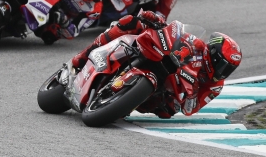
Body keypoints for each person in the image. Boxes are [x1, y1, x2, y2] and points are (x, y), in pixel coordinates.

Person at [71, 10, 243, 118]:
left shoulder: (215, 86)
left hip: (169, 90)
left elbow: (191, 109)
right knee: (131, 22)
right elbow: (175, 32)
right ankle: (84, 55)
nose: (223, 72)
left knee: (166, 111)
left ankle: (120, 101)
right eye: (222, 65)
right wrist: (157, 20)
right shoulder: (197, 44)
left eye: (228, 69)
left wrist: (188, 96)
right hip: (160, 58)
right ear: (211, 52)